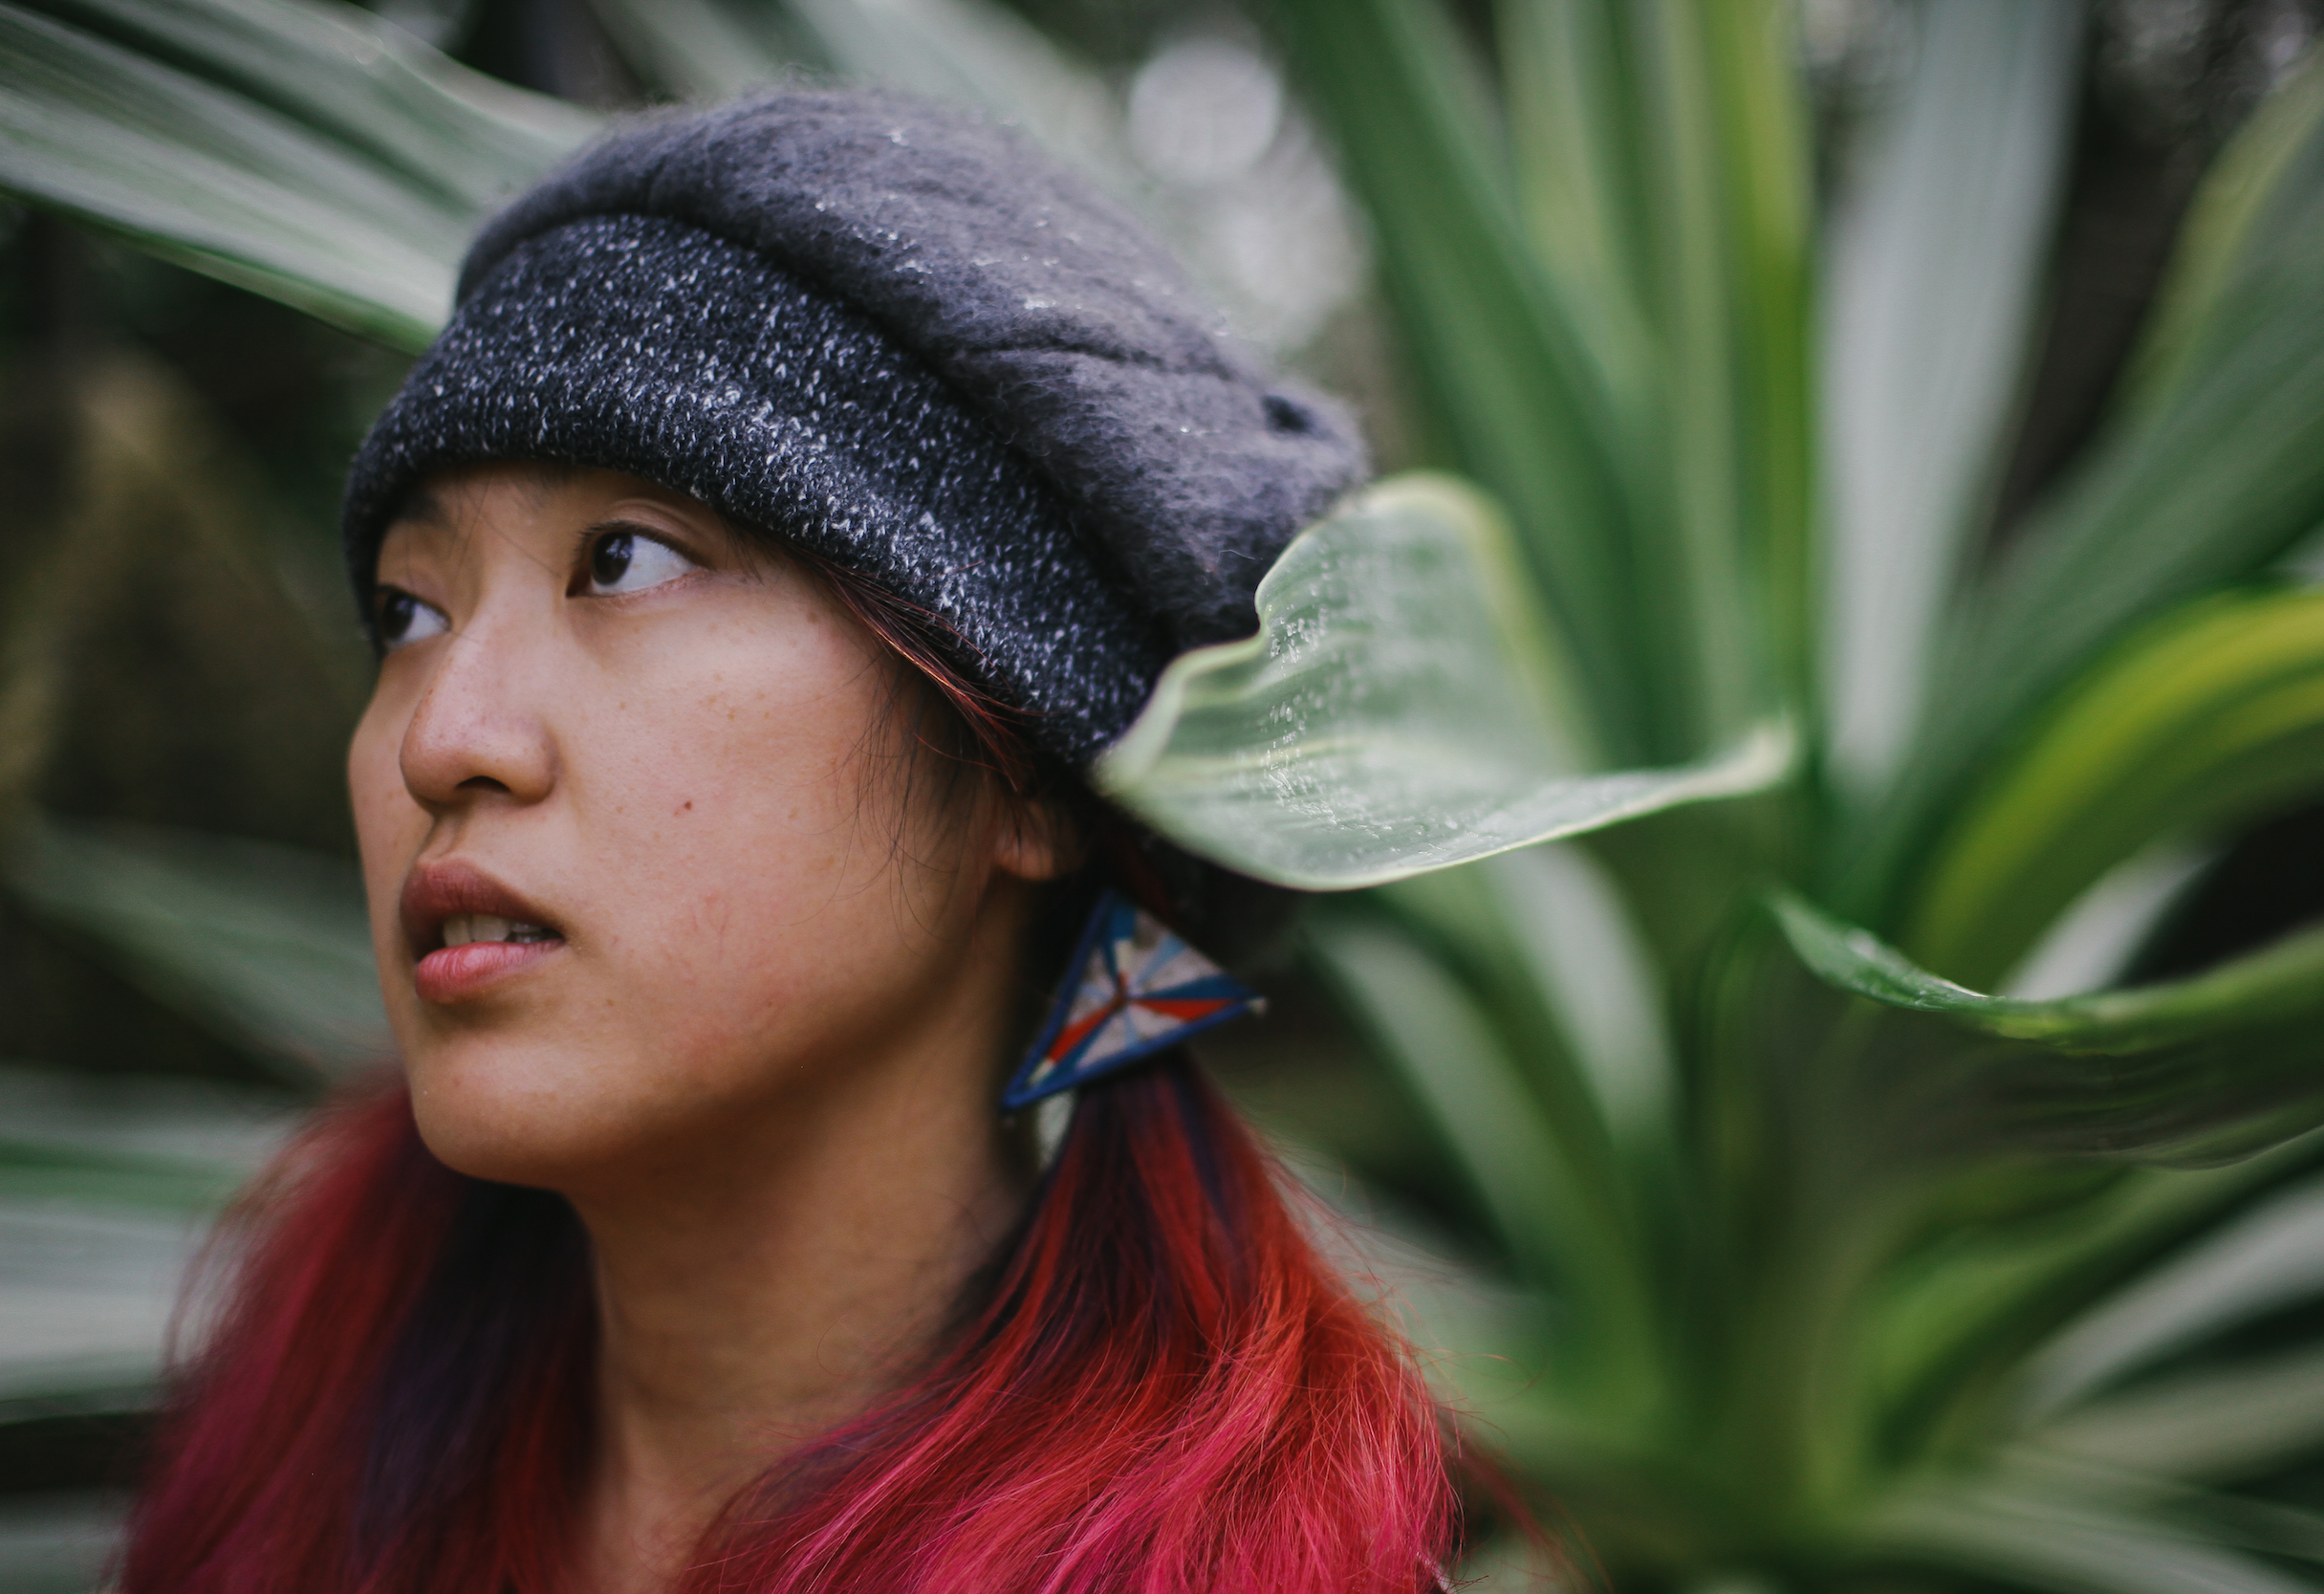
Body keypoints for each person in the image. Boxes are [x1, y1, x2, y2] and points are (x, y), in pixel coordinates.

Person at [119, 90, 1464, 1593]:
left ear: (1022, 778)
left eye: (622, 562)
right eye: (409, 610)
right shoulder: (294, 1467)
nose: (445, 735)